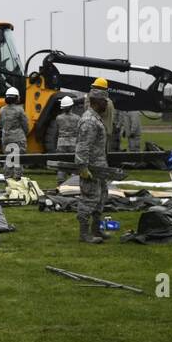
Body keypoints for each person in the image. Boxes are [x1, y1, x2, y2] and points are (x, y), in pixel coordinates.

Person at [74, 88, 110, 243]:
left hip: (99, 167)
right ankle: (84, 234)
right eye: (104, 101)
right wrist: (82, 167)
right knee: (89, 199)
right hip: (91, 167)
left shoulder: (96, 118)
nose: (106, 104)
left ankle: (96, 229)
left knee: (101, 198)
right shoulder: (89, 120)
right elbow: (83, 147)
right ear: (96, 101)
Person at [0, 86, 28, 179]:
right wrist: (24, 134)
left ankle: (7, 180)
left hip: (6, 138)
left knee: (9, 160)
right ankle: (18, 181)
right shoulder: (20, 110)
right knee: (18, 160)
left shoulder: (2, 110)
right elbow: (25, 125)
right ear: (17, 98)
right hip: (18, 138)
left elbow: (1, 123)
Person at [53, 95, 80, 181]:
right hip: (73, 142)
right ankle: (73, 182)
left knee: (61, 165)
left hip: (61, 143)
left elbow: (56, 131)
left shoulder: (59, 118)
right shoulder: (77, 118)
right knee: (74, 165)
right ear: (72, 106)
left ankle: (61, 183)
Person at [91, 78, 117, 153]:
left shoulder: (103, 103)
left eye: (95, 88)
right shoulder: (109, 101)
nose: (94, 90)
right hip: (107, 132)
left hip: (101, 134)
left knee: (100, 156)